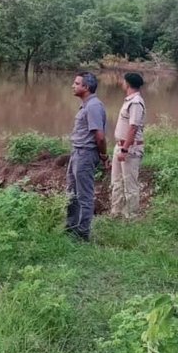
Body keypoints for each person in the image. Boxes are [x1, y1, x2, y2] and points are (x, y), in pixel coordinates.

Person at [66, 71, 108, 241]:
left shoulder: (94, 106)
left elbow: (100, 136)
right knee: (72, 193)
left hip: (85, 154)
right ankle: (71, 228)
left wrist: (104, 156)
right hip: (77, 152)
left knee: (84, 196)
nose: (73, 86)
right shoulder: (86, 105)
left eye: (77, 83)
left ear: (86, 87)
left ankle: (82, 234)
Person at [110, 72, 146, 219]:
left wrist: (125, 149)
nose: (122, 83)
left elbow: (133, 127)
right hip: (121, 146)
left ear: (127, 83)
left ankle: (131, 216)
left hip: (130, 148)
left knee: (130, 184)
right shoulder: (129, 100)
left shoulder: (136, 102)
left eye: (123, 81)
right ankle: (116, 213)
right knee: (117, 182)